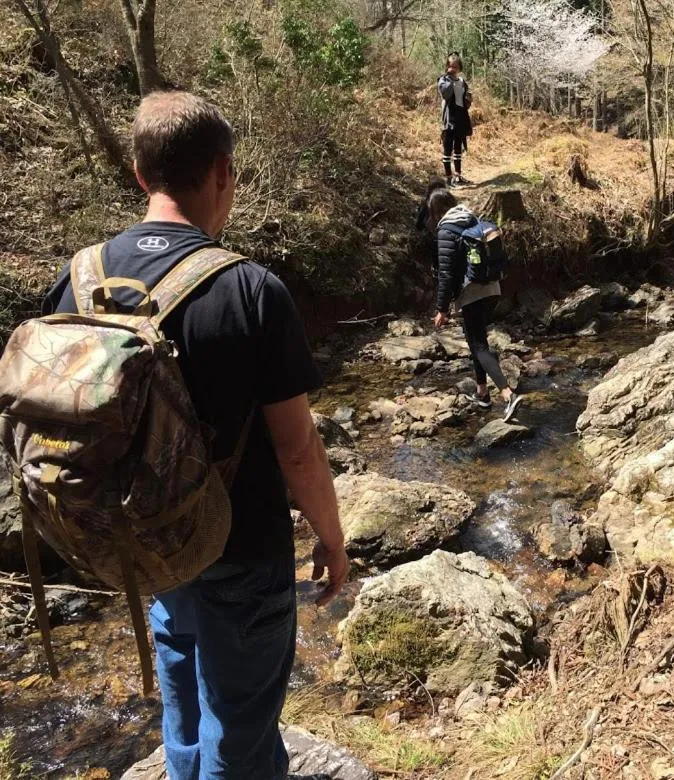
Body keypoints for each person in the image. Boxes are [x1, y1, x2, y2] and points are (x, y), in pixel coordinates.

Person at [41, 91, 348, 779]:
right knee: (240, 738)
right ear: (223, 173)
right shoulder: (251, 290)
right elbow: (298, 448)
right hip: (240, 548)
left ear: (138, 172)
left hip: (142, 541)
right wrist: (331, 537)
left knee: (182, 697)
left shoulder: (78, 280)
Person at [428, 188, 523, 422]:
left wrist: (442, 309)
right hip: (492, 287)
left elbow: (446, 274)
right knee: (475, 340)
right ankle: (482, 392)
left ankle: (507, 394)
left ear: (436, 211)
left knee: (478, 344)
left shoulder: (446, 230)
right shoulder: (471, 219)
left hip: (472, 292)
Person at [437, 52, 472, 187]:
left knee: (458, 148)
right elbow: (445, 94)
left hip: (460, 118)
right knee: (447, 149)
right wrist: (451, 79)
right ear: (447, 67)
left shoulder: (462, 82)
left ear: (459, 68)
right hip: (449, 119)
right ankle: (448, 179)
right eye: (450, 66)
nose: (453, 69)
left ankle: (458, 176)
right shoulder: (443, 80)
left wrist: (468, 99)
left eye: (455, 66)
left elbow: (464, 99)